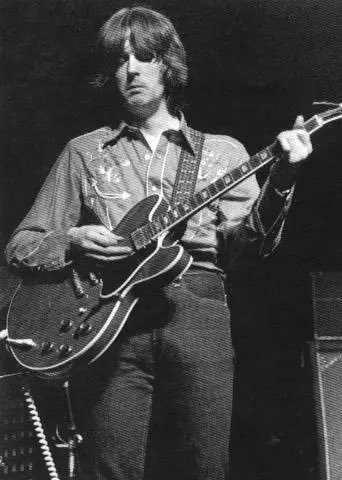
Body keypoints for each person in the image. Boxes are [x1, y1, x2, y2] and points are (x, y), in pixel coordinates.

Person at [5, 6, 313, 480]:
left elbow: (248, 248)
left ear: (168, 64)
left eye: (143, 56)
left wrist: (283, 177)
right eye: (118, 60)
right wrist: (73, 238)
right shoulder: (84, 151)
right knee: (109, 468)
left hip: (198, 312)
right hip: (108, 325)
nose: (130, 69)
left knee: (204, 467)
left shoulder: (223, 152)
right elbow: (22, 244)